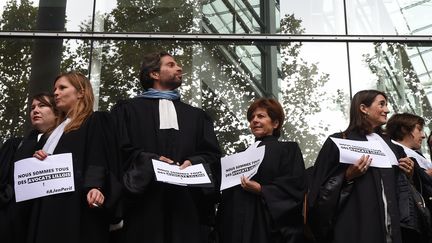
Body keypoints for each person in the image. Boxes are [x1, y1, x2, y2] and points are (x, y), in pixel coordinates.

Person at [110, 51, 221, 243]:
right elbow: (117, 152)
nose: (179, 68)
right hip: (142, 208)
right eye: (171, 65)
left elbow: (212, 155)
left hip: (185, 209)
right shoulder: (127, 110)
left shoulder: (197, 116)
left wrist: (193, 162)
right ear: (154, 74)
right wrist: (149, 161)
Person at [308, 90, 415, 243]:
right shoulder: (338, 142)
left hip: (393, 230)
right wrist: (347, 176)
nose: (387, 110)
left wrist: (408, 173)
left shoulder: (393, 147)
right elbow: (317, 189)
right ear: (363, 108)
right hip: (354, 229)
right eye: (381, 104)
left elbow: (403, 188)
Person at [32, 71, 121, 243]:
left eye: (62, 88)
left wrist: (96, 186)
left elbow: (98, 154)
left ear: (81, 92)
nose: (56, 93)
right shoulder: (52, 132)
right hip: (48, 205)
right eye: (55, 89)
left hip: (76, 204)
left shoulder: (95, 120)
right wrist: (41, 158)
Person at [216, 98, 306, 243]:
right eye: (252, 118)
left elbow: (295, 187)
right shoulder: (239, 155)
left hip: (266, 227)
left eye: (261, 116)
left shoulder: (288, 149)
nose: (254, 120)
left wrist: (262, 189)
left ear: (275, 123)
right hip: (235, 227)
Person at [0, 92, 59, 243]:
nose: (35, 110)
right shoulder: (16, 145)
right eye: (32, 107)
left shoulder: (67, 143)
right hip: (13, 224)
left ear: (57, 112)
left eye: (42, 105)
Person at [386, 113, 432, 241]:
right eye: (419, 129)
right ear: (404, 129)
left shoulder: (419, 157)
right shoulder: (395, 154)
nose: (423, 135)